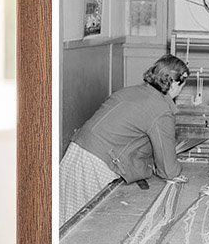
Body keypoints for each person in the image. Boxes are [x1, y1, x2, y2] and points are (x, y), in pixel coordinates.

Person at [58, 54, 189, 224]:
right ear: (176, 83)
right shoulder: (161, 109)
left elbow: (128, 135)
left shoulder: (130, 90)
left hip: (76, 150)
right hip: (97, 163)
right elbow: (169, 171)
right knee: (83, 225)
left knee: (63, 218)